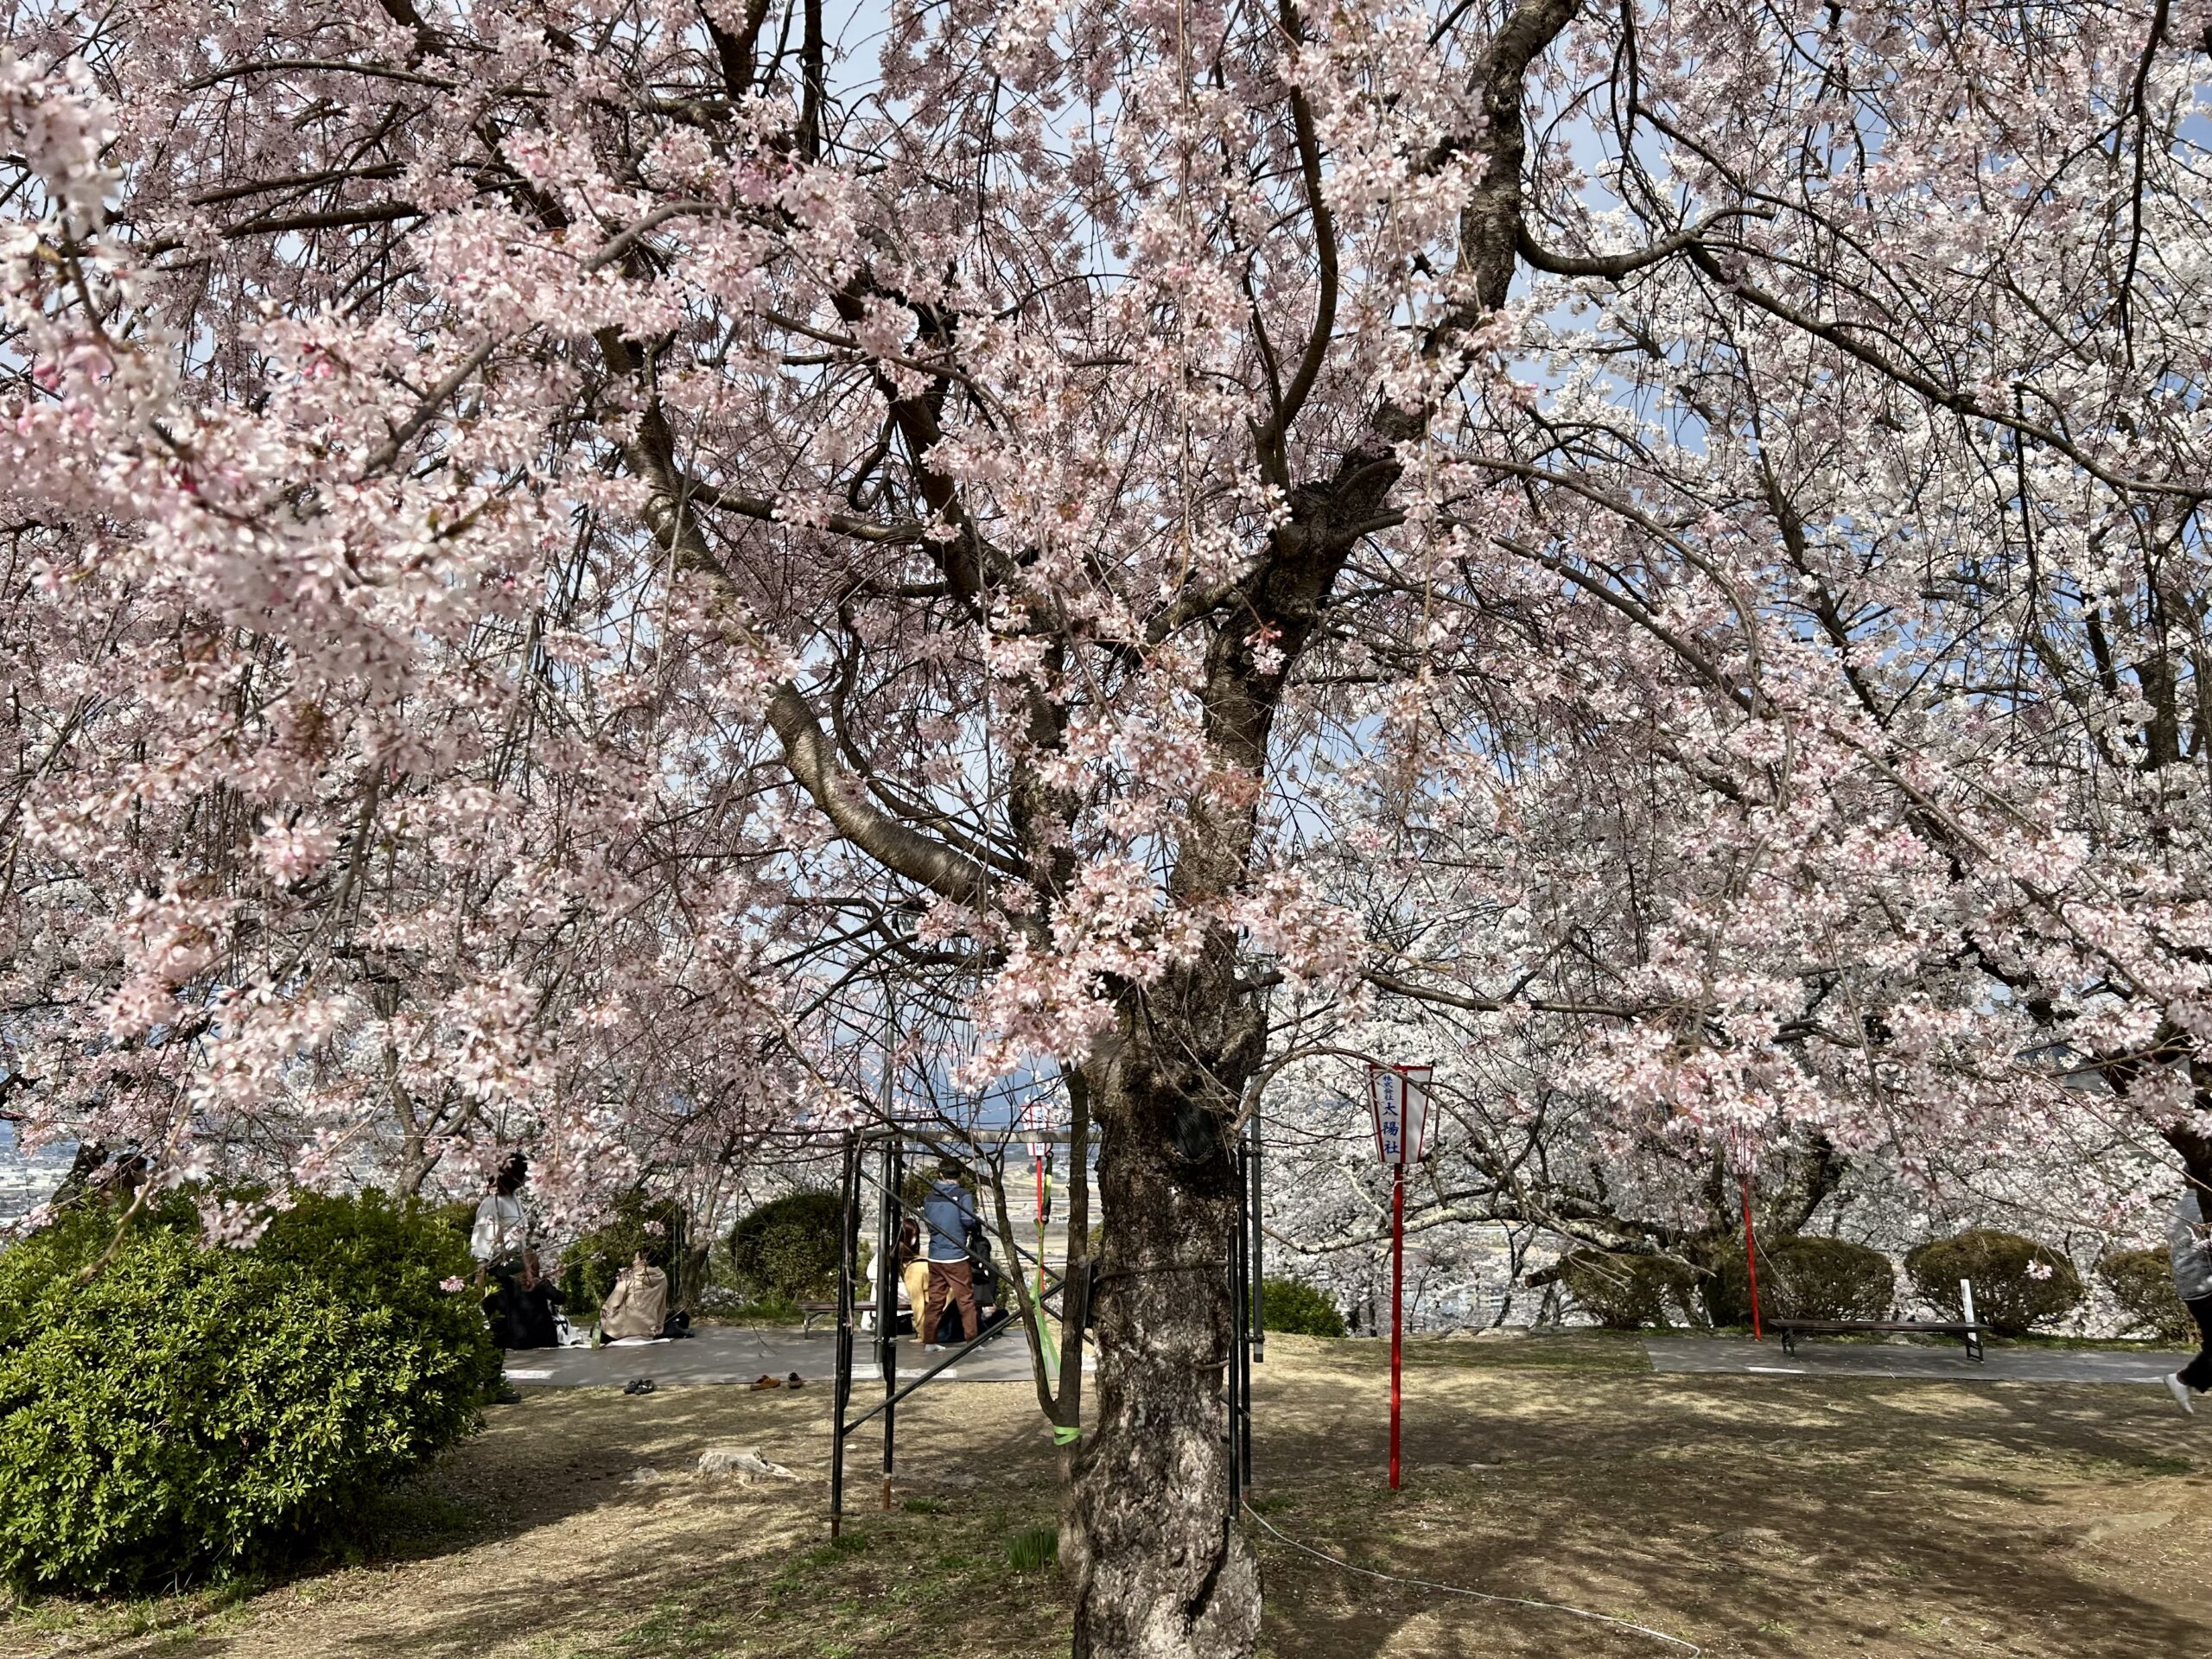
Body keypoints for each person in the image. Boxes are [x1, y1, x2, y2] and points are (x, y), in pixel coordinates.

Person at [2164, 1180, 2212, 1414]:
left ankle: (2184, 1380)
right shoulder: (2202, 1206)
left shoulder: (2183, 1206)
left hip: (2193, 1287)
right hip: (2205, 1286)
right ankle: (2184, 1379)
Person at [920, 1162, 980, 1351]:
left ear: (940, 1174)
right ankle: (972, 1339)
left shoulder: (929, 1198)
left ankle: (929, 1341)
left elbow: (929, 1224)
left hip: (936, 1255)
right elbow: (967, 1220)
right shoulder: (963, 1195)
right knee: (966, 1300)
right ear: (959, 1175)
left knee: (936, 1299)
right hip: (957, 1255)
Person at [484, 1248, 563, 1350]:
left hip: (518, 1339)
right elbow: (560, 1299)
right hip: (543, 1337)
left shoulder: (509, 1285)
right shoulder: (540, 1284)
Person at [469, 1152, 531, 1264]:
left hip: (515, 1262)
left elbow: (521, 1242)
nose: (527, 1177)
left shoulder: (513, 1199)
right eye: (524, 1173)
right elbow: (481, 1245)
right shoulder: (493, 1203)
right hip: (497, 1264)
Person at [598, 1249, 671, 1344]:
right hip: (648, 1329)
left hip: (622, 1329)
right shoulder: (662, 1278)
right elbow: (661, 1306)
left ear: (643, 1262)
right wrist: (659, 1326)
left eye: (635, 1259)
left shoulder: (630, 1277)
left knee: (596, 1330)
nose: (633, 1262)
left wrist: (603, 1318)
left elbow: (612, 1304)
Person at [898, 1214, 930, 1338]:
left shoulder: (914, 1267)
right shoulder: (916, 1263)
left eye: (916, 1235)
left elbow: (918, 1303)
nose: (914, 1239)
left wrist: (922, 1335)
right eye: (912, 1235)